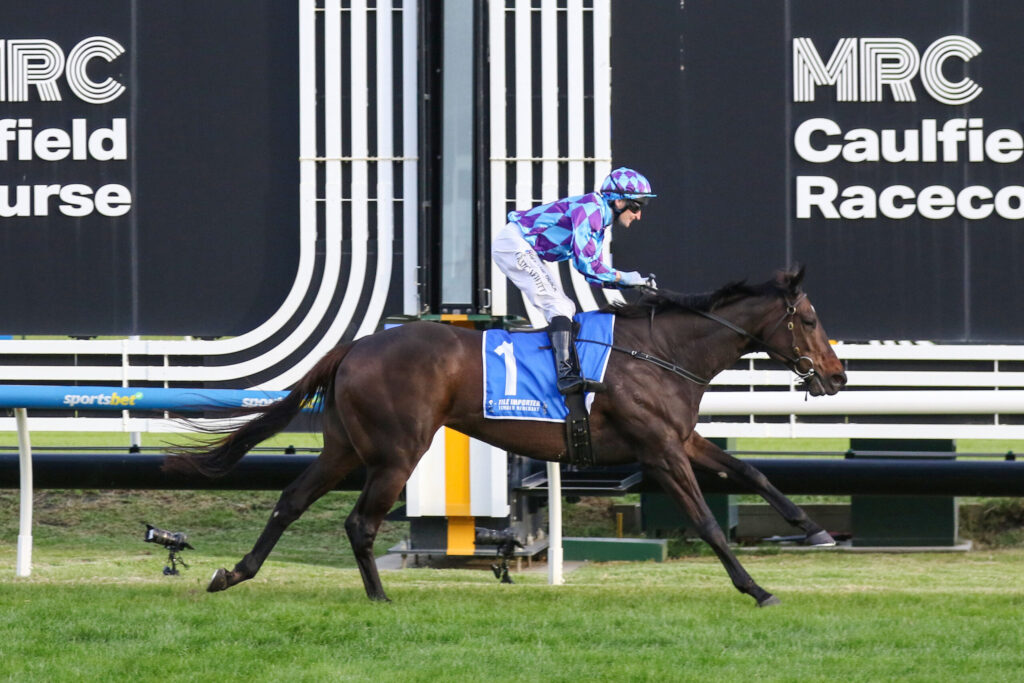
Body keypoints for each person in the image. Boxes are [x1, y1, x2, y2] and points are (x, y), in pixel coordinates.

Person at [492, 167, 657, 395]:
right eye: (637, 207)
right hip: (514, 243)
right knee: (558, 306)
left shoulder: (599, 217)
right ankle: (566, 376)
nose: (638, 215)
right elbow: (587, 265)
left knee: (565, 307)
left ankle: (567, 371)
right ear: (619, 202)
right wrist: (626, 278)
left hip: (522, 246)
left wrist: (627, 283)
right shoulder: (591, 210)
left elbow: (591, 274)